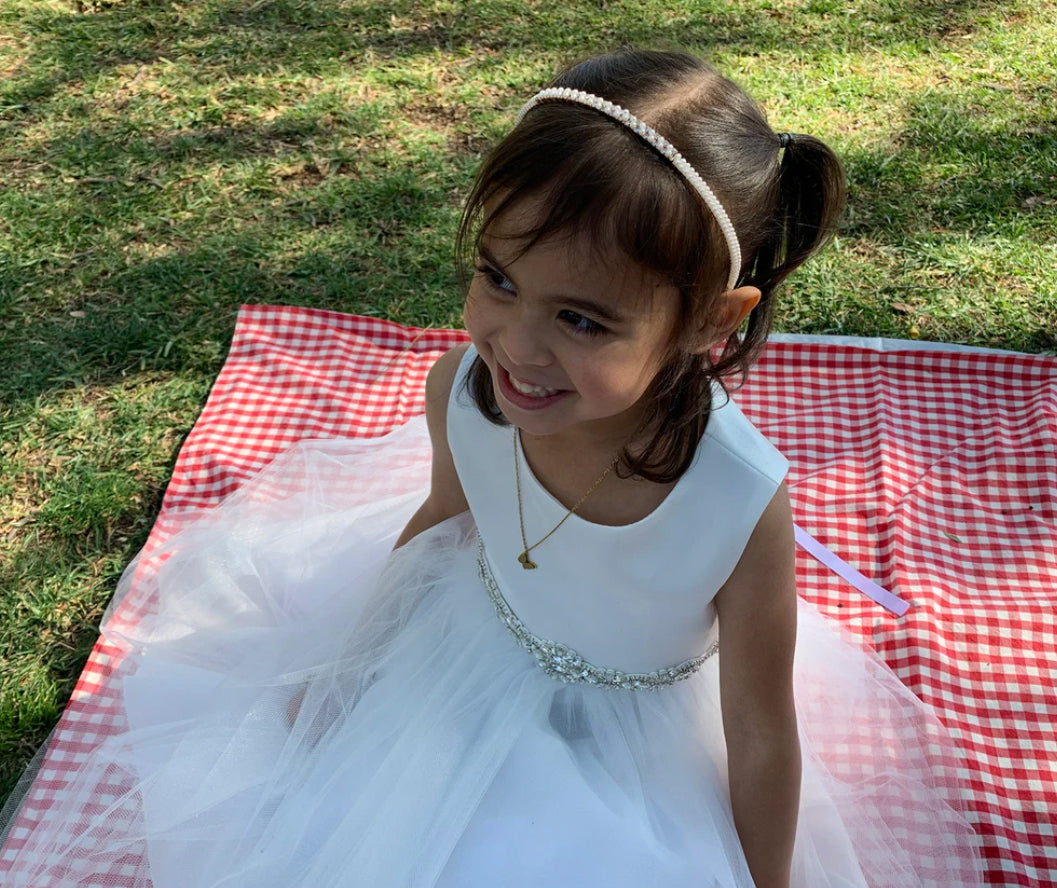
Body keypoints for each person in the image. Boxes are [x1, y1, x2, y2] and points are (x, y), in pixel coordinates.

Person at [4, 48, 982, 888]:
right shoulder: (464, 392)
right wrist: (350, 673)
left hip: (640, 739)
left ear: (706, 322)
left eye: (583, 319)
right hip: (464, 660)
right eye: (499, 279)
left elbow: (761, 732)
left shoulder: (735, 504)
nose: (515, 344)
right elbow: (441, 523)